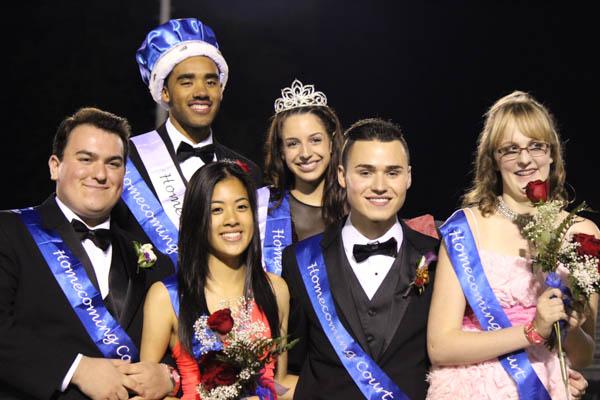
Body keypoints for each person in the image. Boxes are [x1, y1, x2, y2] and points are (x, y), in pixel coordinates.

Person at [426, 91, 597, 399]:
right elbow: (441, 346)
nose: (524, 159)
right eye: (510, 149)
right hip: (472, 388)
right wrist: (532, 330)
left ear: (552, 153)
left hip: (547, 385)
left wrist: (568, 328)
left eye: (536, 146)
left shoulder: (583, 232)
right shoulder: (467, 227)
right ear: (493, 158)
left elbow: (584, 355)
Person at [0, 108, 176, 399]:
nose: (100, 174)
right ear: (55, 166)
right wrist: (74, 368)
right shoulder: (9, 232)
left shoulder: (154, 260)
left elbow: (179, 347)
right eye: (86, 159)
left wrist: (169, 377)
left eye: (114, 163)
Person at [282, 118, 440, 399]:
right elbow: (292, 368)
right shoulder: (300, 261)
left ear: (409, 177)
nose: (380, 186)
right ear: (342, 176)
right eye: (365, 172)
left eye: (392, 172)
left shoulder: (439, 257)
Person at [140, 161, 296, 399]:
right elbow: (148, 390)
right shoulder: (167, 296)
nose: (232, 219)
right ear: (196, 219)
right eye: (217, 210)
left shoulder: (275, 289)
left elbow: (280, 383)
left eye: (242, 207)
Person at [116, 18, 261, 258]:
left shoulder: (250, 172)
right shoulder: (127, 159)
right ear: (164, 91)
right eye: (186, 81)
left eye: (211, 81)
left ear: (221, 90)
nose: (201, 92)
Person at [259, 78, 346, 276]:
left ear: (331, 143)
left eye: (315, 140)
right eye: (292, 144)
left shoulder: (355, 205)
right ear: (281, 150)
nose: (305, 153)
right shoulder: (264, 207)